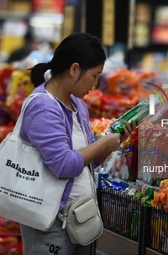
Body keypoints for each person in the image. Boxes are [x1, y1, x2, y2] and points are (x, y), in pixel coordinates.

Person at [19, 32, 136, 254]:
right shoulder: (43, 106)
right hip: (50, 222)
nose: (95, 83)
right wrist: (101, 145)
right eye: (94, 76)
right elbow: (63, 165)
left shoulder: (77, 105)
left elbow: (86, 160)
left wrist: (114, 142)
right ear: (74, 69)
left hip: (80, 217)